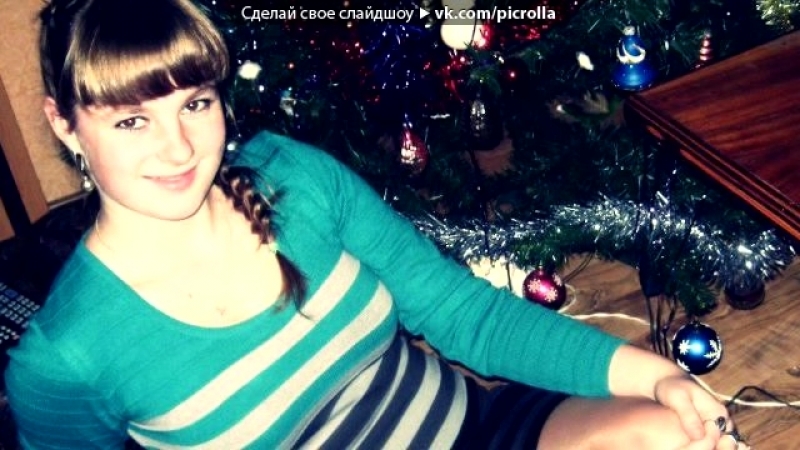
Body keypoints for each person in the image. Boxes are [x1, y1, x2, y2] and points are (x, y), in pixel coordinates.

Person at [4, 0, 749, 448]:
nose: (179, 149)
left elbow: (465, 315)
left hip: (473, 430)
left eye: (195, 103)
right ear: (65, 124)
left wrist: (658, 377)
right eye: (132, 119)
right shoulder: (66, 356)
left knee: (678, 432)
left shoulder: (294, 178)